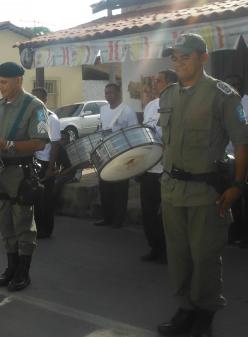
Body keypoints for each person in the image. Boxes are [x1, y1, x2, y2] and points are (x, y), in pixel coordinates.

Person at [156, 33, 248, 337]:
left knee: (205, 257)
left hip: (206, 193)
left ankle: (204, 313)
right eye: (175, 58)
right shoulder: (168, 95)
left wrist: (238, 185)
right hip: (172, 192)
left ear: (203, 58)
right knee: (179, 256)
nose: (179, 62)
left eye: (186, 57)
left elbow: (242, 142)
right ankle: (185, 308)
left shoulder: (224, 95)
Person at [0, 62, 52, 291]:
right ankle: (11, 268)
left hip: (20, 173)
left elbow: (40, 141)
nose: (0, 87)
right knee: (4, 221)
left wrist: (10, 144)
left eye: (4, 82)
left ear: (18, 80)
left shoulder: (34, 107)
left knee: (23, 222)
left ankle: (23, 272)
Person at [138, 69, 178, 264]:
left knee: (167, 215)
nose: (155, 85)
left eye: (159, 81)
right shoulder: (151, 106)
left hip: (167, 171)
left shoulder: (179, 103)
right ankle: (155, 247)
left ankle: (171, 252)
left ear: (170, 83)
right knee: (149, 213)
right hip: (149, 170)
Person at [94, 83, 138, 228]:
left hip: (121, 154)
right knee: (105, 188)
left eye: (111, 93)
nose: (108, 96)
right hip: (105, 155)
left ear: (119, 93)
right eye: (106, 93)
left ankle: (118, 220)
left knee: (120, 189)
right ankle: (107, 218)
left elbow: (134, 134)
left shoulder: (127, 111)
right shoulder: (103, 109)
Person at [31, 87, 61, 239]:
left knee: (46, 200)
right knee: (36, 199)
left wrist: (51, 167)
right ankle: (37, 227)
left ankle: (46, 230)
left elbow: (55, 145)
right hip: (34, 162)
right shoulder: (33, 116)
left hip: (46, 163)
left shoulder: (51, 118)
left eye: (36, 98)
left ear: (44, 101)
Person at [224, 74, 248, 249]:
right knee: (233, 198)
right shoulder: (224, 104)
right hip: (229, 159)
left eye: (233, 86)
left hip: (244, 157)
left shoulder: (245, 103)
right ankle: (235, 232)